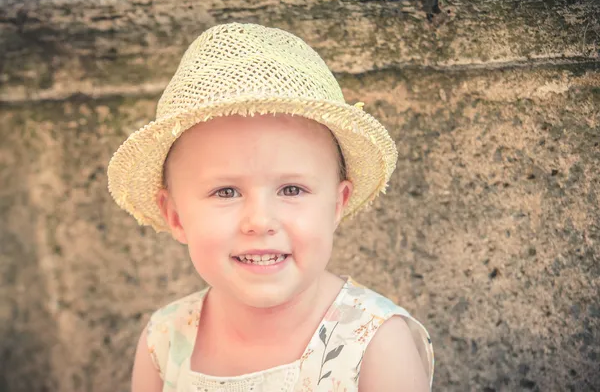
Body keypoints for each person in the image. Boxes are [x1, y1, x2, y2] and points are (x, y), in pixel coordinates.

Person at [107, 22, 434, 392]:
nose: (260, 221)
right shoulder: (164, 342)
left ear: (336, 204)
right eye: (226, 192)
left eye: (292, 189)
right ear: (176, 216)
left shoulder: (373, 343)